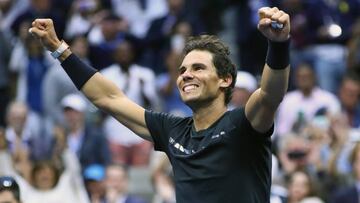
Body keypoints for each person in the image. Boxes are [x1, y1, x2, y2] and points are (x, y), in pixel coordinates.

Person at [29, 6, 290, 202]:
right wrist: (58, 47)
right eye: (183, 69)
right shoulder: (173, 130)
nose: (186, 74)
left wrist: (278, 44)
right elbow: (108, 98)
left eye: (198, 68)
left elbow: (270, 94)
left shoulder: (244, 123)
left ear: (225, 79)